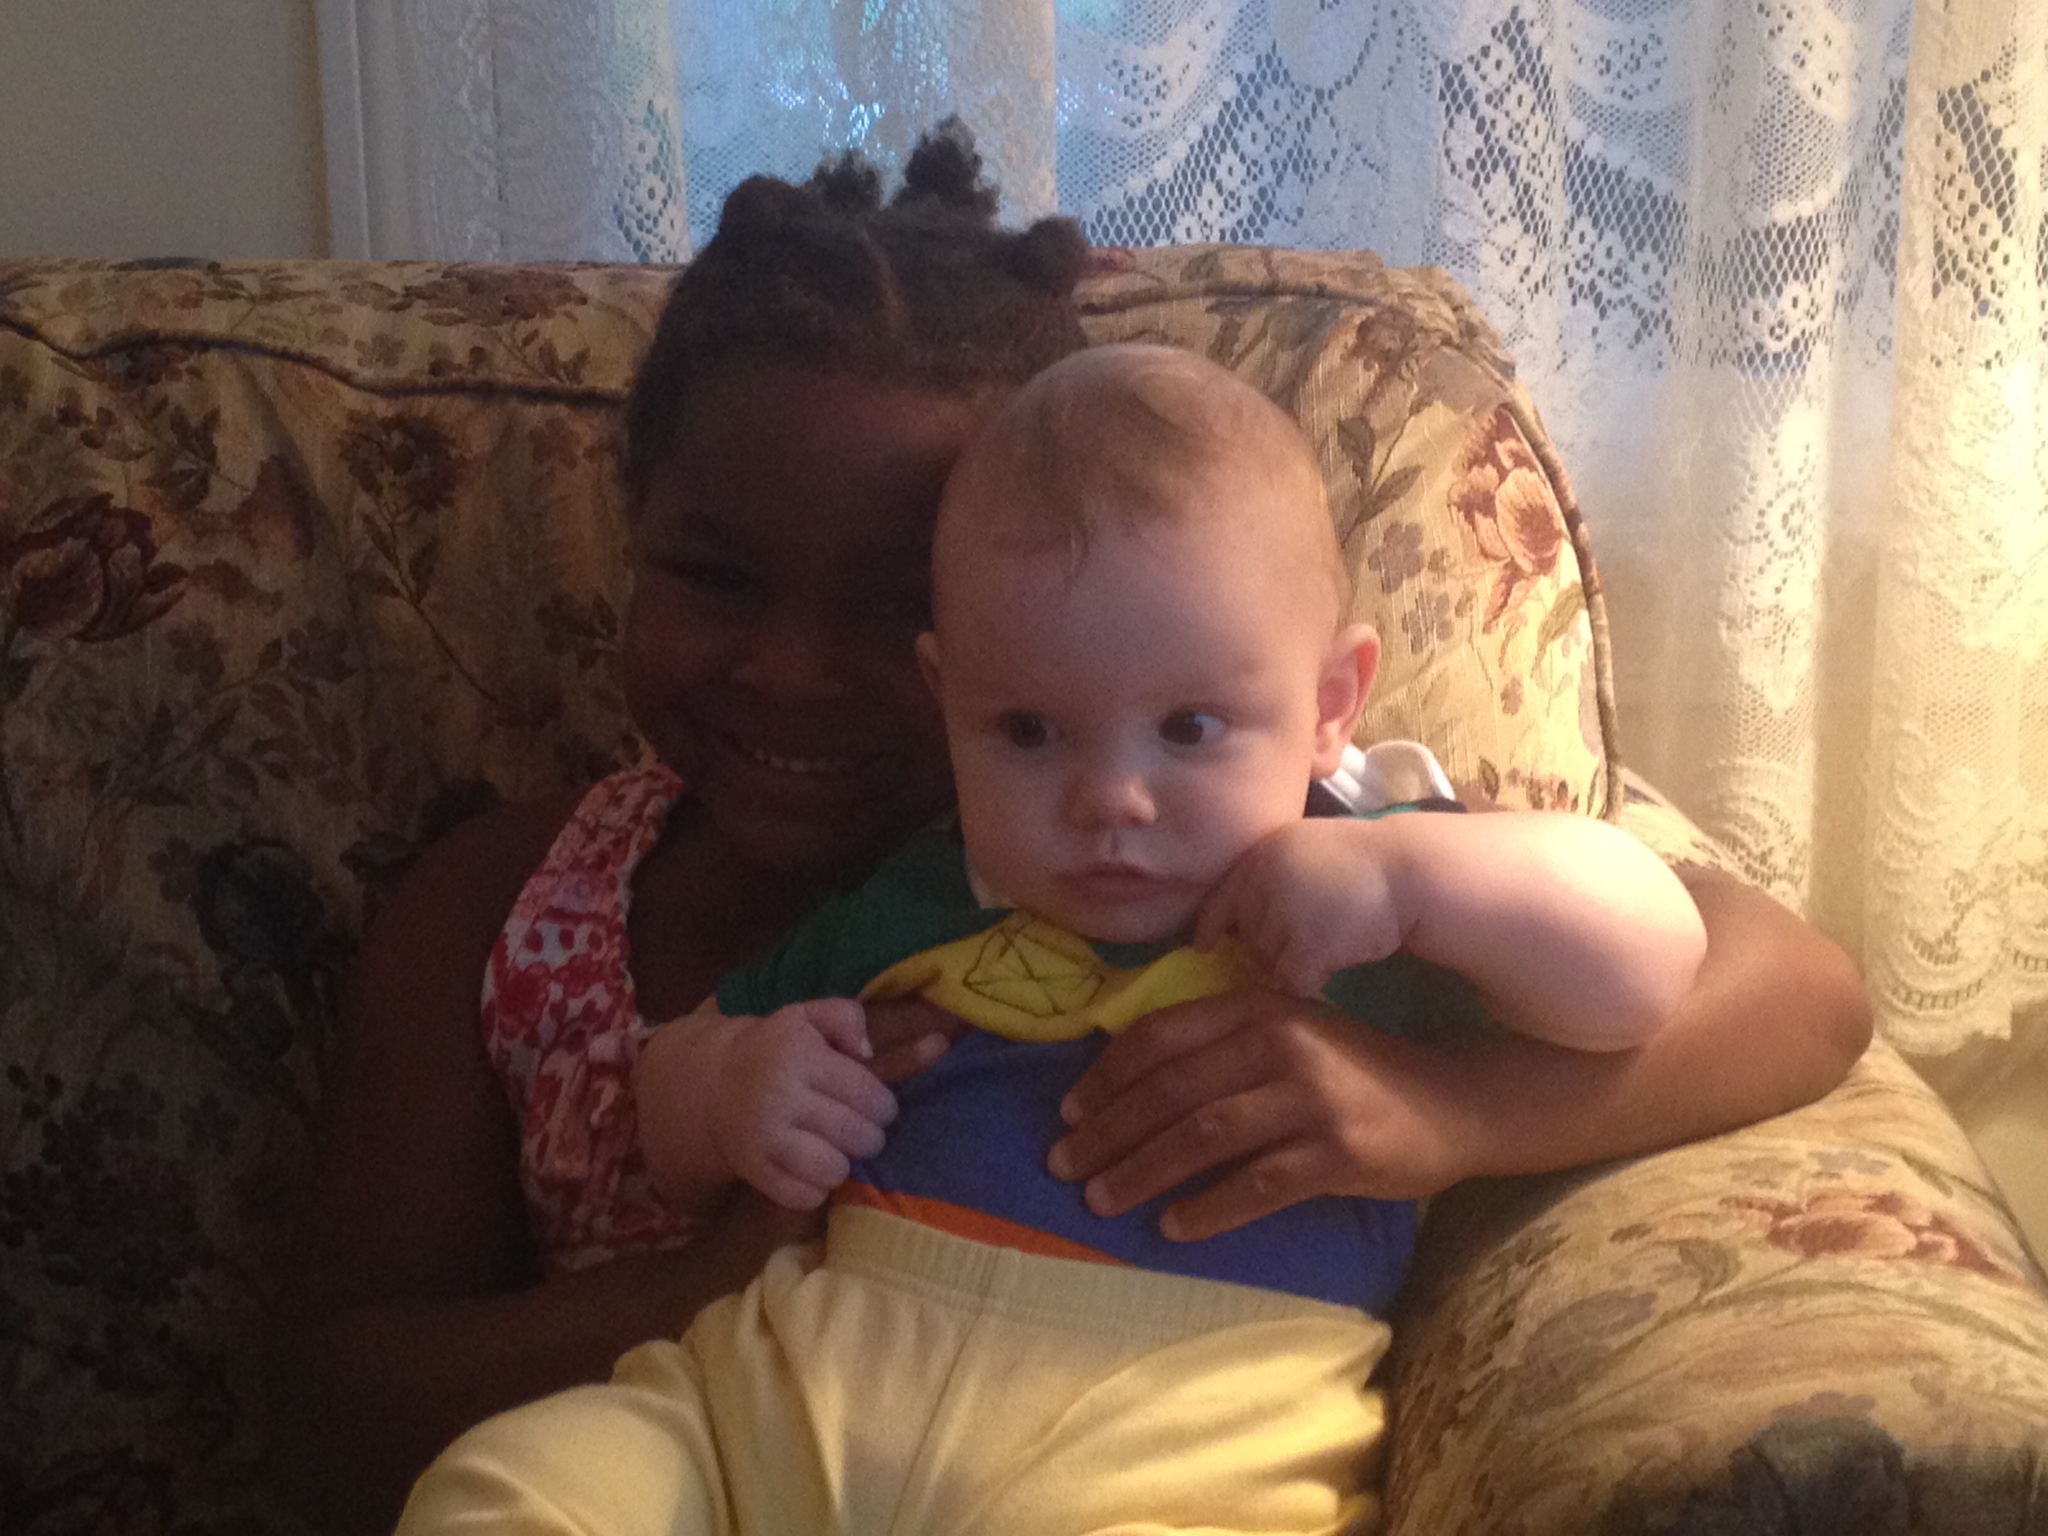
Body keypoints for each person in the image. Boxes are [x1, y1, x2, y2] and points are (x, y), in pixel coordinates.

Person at [264, 124, 1872, 1536]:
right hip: (745, 1422)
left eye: (886, 597)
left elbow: (1790, 989)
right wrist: (716, 1263)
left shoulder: (1305, 861)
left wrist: (1443, 1107)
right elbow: (335, 1421)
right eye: (715, 577)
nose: (796, 671)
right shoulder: (514, 908)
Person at [393, 341, 1715, 1533]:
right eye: (1028, 731)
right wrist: (733, 1089)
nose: (1109, 801)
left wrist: (1418, 879)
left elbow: (1652, 963)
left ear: (1329, 704)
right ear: (948, 699)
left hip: (1178, 1457)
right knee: (509, 1488)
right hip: (778, 1416)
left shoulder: (1370, 880)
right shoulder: (920, 890)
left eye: (1191, 728)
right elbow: (664, 1111)